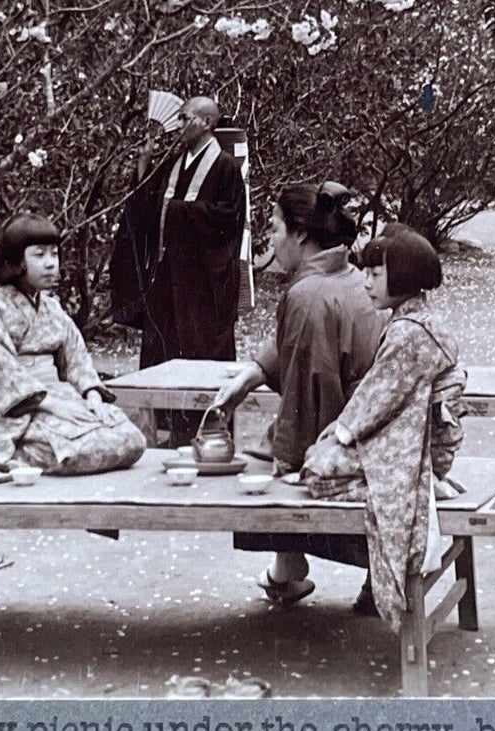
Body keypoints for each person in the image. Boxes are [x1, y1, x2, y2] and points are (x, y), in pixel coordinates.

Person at [211, 181, 386, 605]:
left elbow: (310, 392)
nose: (271, 238)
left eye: (274, 228)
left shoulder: (308, 294)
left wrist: (286, 460)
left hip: (353, 437)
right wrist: (255, 372)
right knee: (274, 446)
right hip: (375, 424)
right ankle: (295, 568)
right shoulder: (349, 276)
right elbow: (306, 347)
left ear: (301, 234)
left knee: (260, 465)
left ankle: (343, 568)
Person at [300, 226, 467, 626]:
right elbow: (378, 393)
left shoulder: (412, 331)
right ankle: (422, 482)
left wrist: (340, 432)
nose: (366, 281)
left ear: (404, 276)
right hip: (422, 436)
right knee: (321, 457)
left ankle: (422, 484)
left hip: (424, 446)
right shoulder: (413, 320)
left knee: (319, 471)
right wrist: (343, 428)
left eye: (376, 273)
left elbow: (381, 397)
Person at [0, 214, 145, 476]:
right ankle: (17, 454)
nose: (51, 264)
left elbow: (76, 358)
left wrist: (91, 395)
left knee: (132, 438)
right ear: (17, 261)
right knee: (79, 448)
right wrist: (55, 406)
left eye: (54, 254)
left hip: (60, 398)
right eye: (39, 255)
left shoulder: (52, 308)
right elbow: (1, 376)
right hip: (17, 415)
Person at [110, 94, 246, 388]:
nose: (179, 124)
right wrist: (145, 161)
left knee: (200, 357)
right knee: (163, 350)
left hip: (203, 282)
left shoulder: (225, 167)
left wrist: (178, 210)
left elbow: (228, 219)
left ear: (207, 122)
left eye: (185, 118)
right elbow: (146, 208)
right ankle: (163, 421)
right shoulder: (173, 164)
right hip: (168, 275)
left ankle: (205, 423)